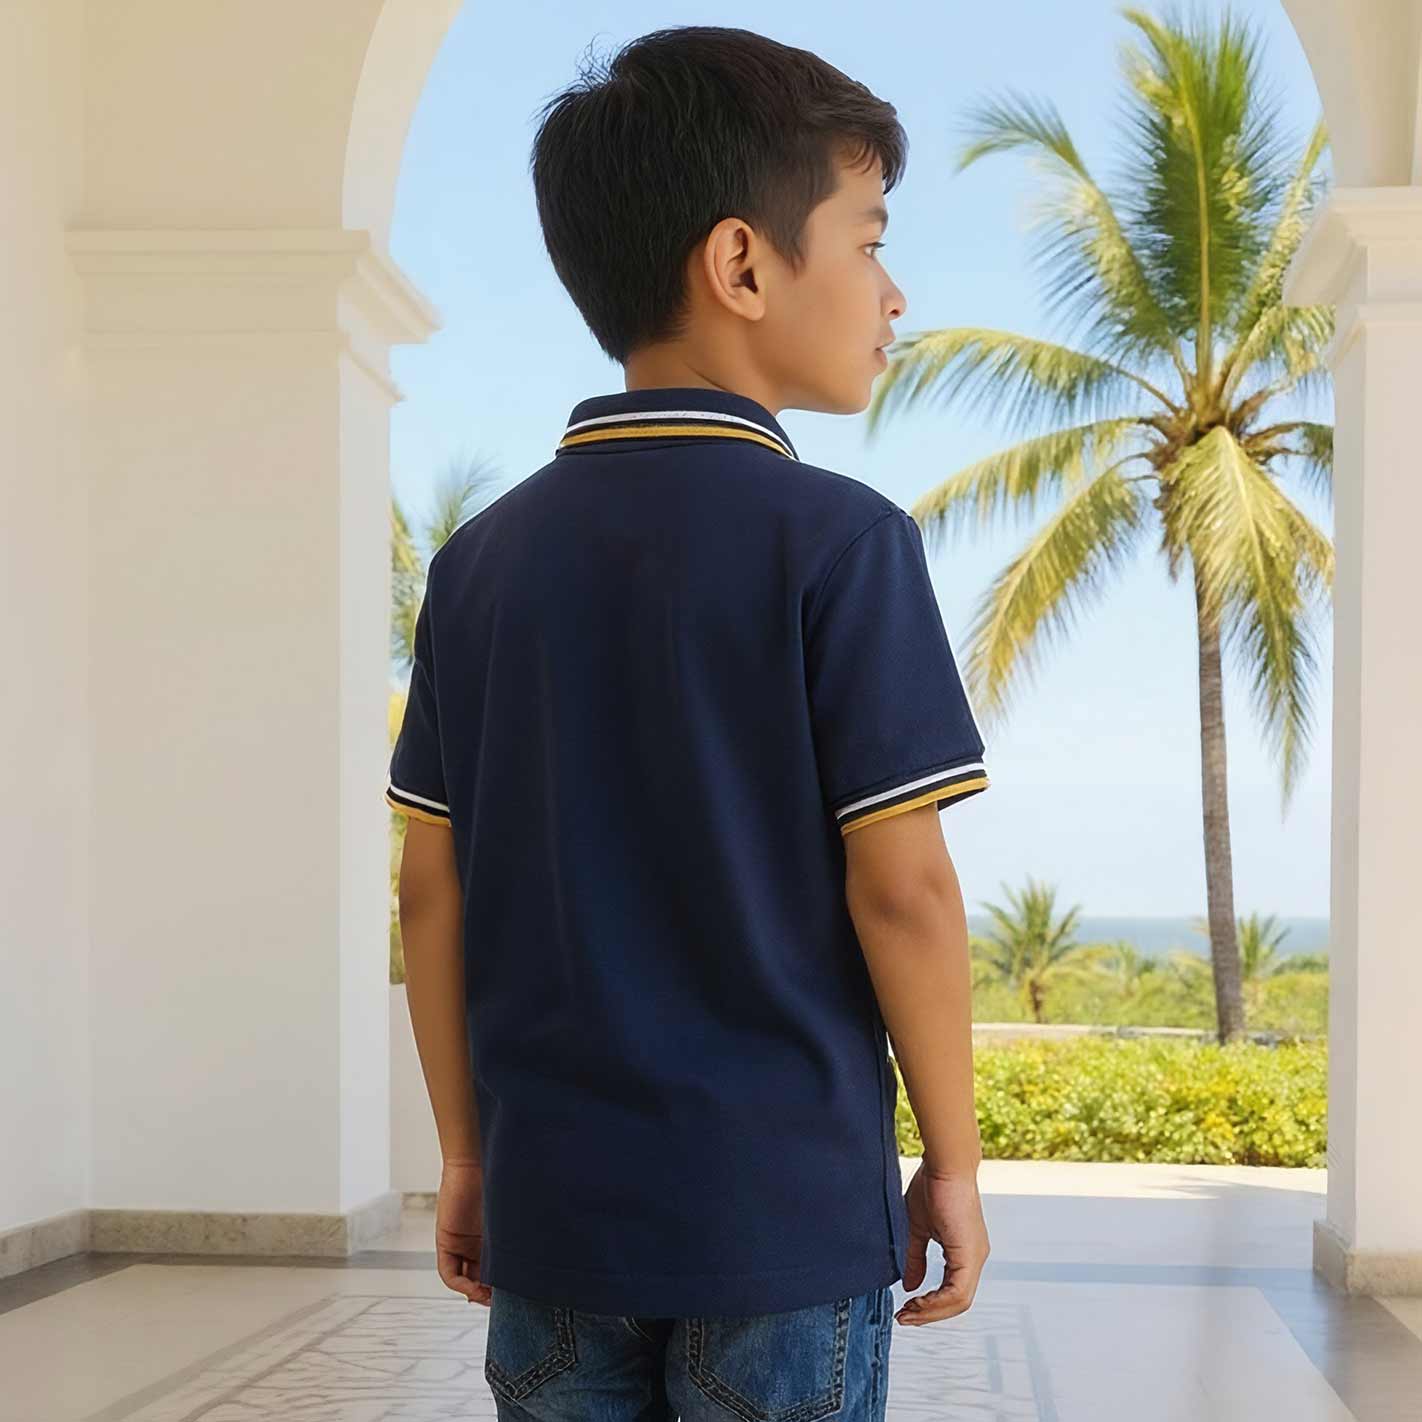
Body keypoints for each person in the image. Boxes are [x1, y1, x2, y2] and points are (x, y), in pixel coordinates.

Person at [387, 24, 991, 1421]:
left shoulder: (478, 561)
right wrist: (951, 1159)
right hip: (778, 1229)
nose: (893, 294)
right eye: (867, 241)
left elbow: (432, 886)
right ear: (740, 263)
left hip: (553, 1220)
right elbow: (901, 886)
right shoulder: (841, 544)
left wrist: (467, 1160)